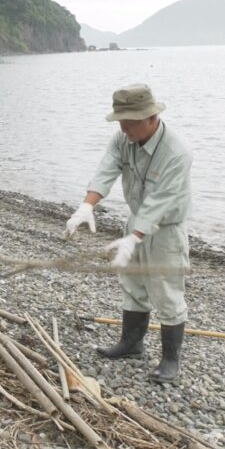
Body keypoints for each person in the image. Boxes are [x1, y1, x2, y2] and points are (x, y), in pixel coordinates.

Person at [64, 84, 192, 383]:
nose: (124, 127)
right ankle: (132, 343)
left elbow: (160, 202)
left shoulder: (177, 153)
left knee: (166, 290)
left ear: (151, 118)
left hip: (166, 230)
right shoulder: (123, 138)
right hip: (135, 221)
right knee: (132, 282)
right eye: (120, 120)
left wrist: (134, 237)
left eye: (130, 121)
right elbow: (106, 170)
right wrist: (86, 206)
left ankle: (171, 361)